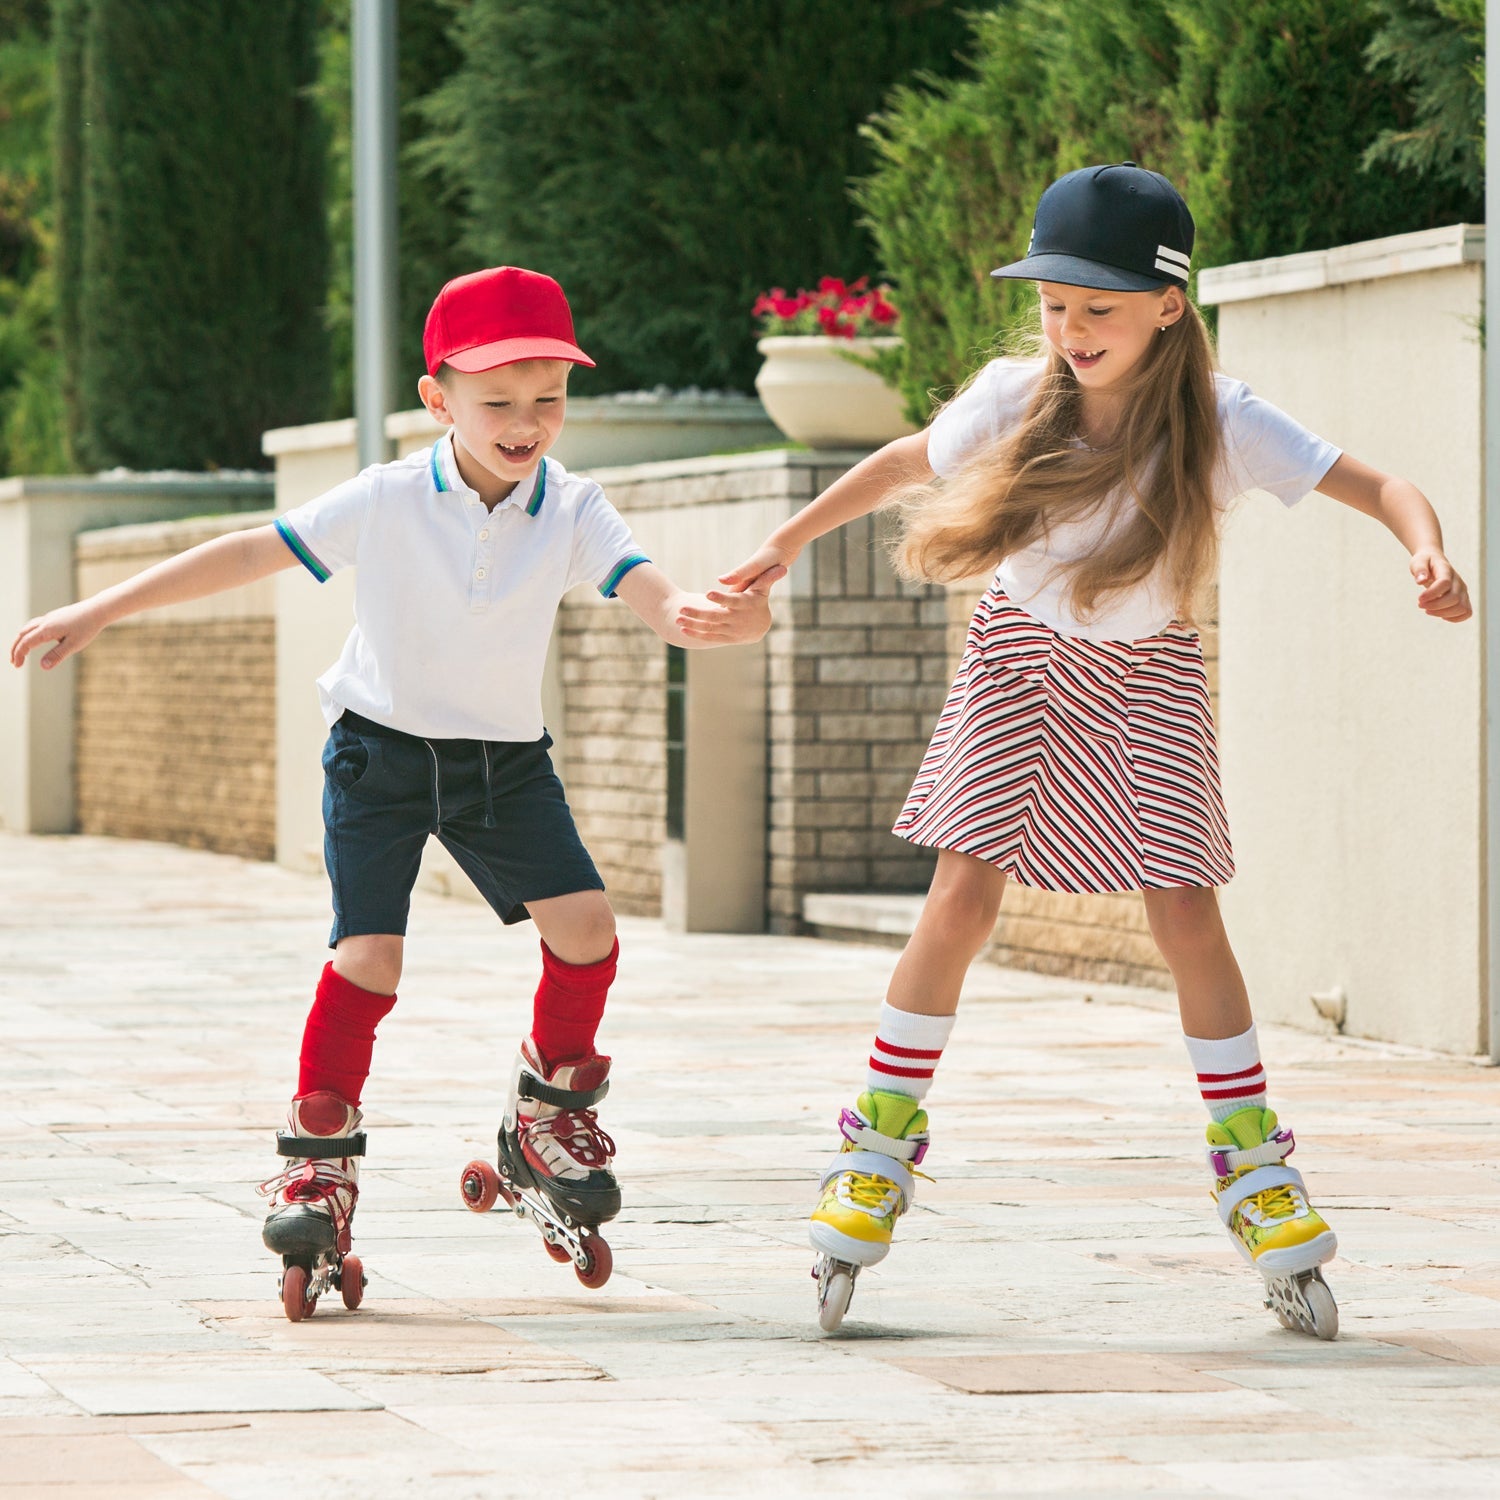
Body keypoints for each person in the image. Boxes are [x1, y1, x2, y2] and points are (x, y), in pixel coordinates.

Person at [715, 163, 1471, 1337]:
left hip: (1149, 671)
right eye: (1057, 307)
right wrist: (784, 542)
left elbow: (1380, 483)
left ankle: (1254, 1168)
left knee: (1184, 909)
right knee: (959, 896)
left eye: (1099, 310)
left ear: (1169, 306)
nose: (1072, 333)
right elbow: (908, 462)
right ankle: (875, 1146)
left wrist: (1424, 551)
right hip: (1017, 653)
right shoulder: (1017, 397)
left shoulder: (1225, 421)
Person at [11, 265, 781, 1317]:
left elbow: (654, 590)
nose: (526, 423)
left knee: (590, 930)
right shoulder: (382, 499)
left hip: (501, 765)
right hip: (377, 758)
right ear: (439, 398)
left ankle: (547, 1112)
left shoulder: (575, 507)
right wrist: (99, 609)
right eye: (498, 400)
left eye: (548, 399)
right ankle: (318, 1156)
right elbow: (249, 548)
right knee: (368, 956)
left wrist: (702, 616)